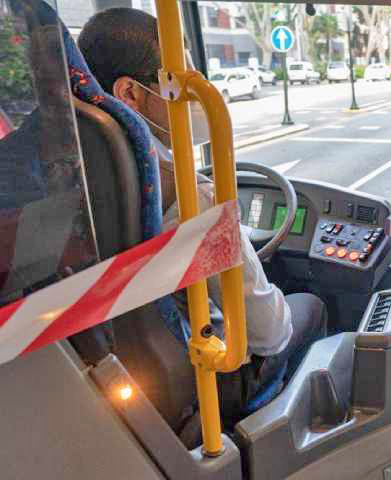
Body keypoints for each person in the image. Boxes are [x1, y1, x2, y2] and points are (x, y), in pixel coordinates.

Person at [77, 8, 326, 430]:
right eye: (181, 79)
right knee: (309, 309)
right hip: (200, 378)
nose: (196, 93)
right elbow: (267, 333)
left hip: (110, 361)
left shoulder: (81, 170)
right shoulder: (188, 195)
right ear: (130, 93)